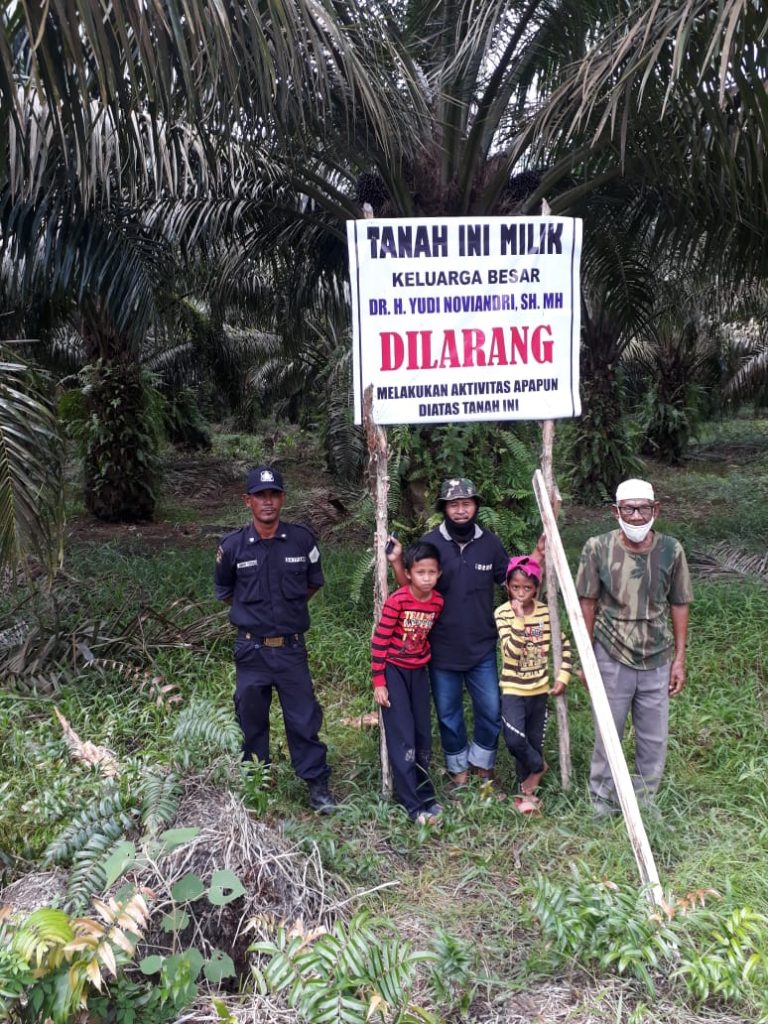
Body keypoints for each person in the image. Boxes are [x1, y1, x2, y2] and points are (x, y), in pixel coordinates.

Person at [390, 478, 538, 797]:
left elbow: (513, 580)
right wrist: (397, 562)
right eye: (453, 504)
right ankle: (458, 774)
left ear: (476, 507)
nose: (460, 510)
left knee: (489, 708)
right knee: (448, 714)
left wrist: (538, 556)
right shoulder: (432, 544)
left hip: (482, 646)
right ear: (443, 508)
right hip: (441, 649)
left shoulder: (490, 543)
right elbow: (411, 589)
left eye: (466, 503)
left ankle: (483, 770)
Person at [214, 465, 337, 813]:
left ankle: (317, 785)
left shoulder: (302, 541)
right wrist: (256, 617)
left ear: (282, 498)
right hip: (251, 649)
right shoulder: (232, 547)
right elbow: (226, 591)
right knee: (250, 719)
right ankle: (256, 785)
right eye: (260, 496)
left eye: (273, 495)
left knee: (303, 718)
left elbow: (311, 584)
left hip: (291, 648)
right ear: (247, 501)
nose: (267, 502)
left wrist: (285, 612)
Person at [575, 478, 693, 814]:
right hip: (611, 653)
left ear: (656, 509)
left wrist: (679, 658)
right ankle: (602, 801)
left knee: (653, 737)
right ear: (616, 511)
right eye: (629, 508)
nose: (637, 516)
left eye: (644, 508)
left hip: (657, 656)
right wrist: (586, 657)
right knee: (608, 732)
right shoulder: (597, 547)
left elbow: (680, 602)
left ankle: (644, 801)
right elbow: (586, 602)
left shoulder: (672, 550)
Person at [371, 542, 444, 825]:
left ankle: (427, 797)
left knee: (423, 734)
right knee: (403, 737)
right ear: (410, 574)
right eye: (420, 572)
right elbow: (380, 641)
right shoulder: (396, 601)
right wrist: (380, 681)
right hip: (394, 673)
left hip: (418, 672)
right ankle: (413, 807)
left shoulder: (437, 602)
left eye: (432, 572)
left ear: (439, 574)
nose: (426, 577)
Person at [494, 556, 572, 813]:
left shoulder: (545, 613)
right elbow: (511, 653)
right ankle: (539, 767)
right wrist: (518, 619)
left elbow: (564, 647)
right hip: (514, 689)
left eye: (526, 588)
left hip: (539, 690)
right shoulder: (503, 614)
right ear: (507, 586)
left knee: (533, 741)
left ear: (536, 589)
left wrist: (562, 678)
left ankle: (527, 794)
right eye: (515, 587)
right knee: (515, 741)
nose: (520, 593)